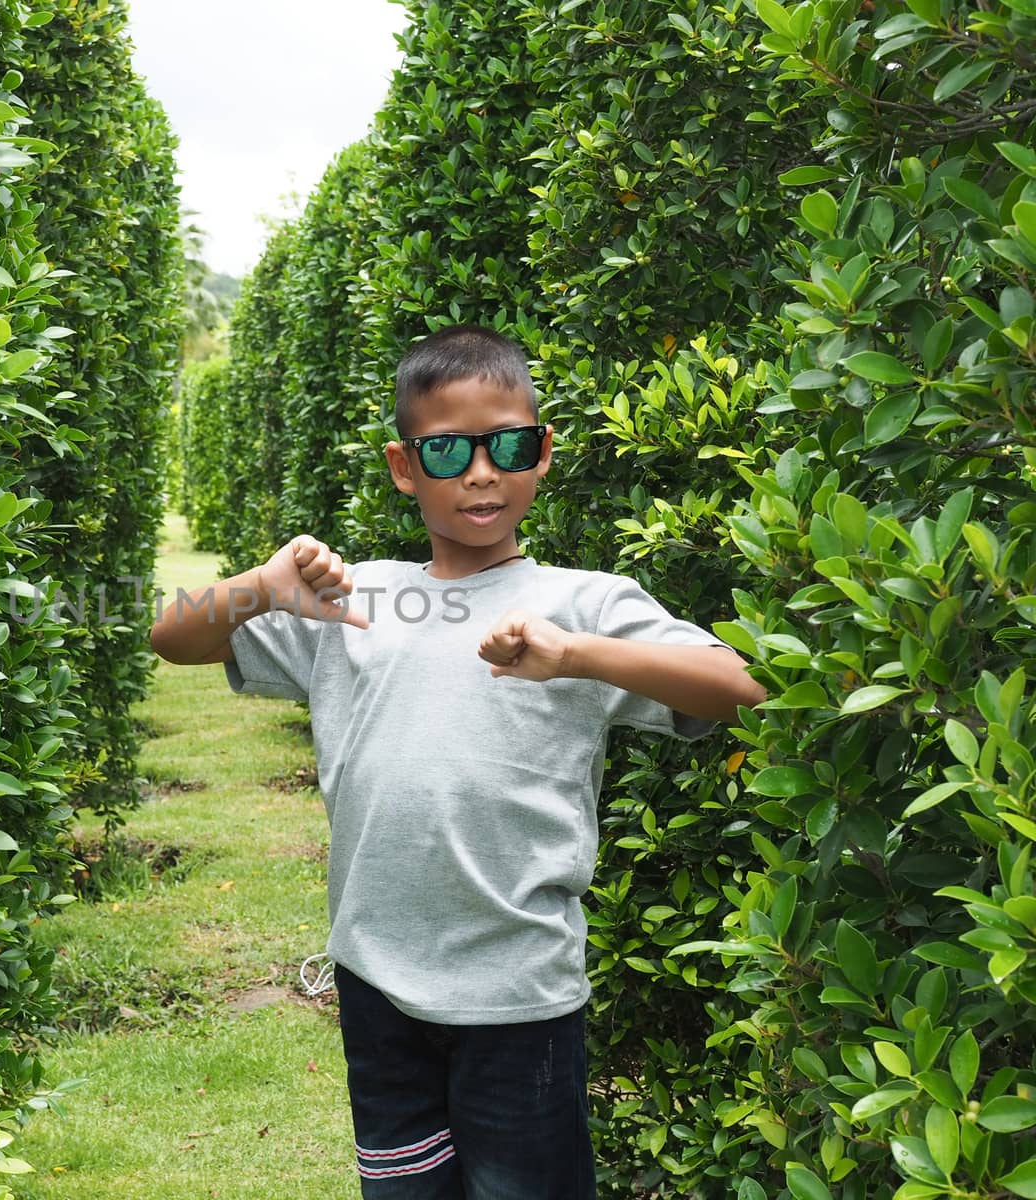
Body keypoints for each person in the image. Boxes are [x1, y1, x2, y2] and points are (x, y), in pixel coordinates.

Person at [149, 324, 765, 1199]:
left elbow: (744, 683)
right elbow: (172, 637)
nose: (482, 472)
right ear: (405, 467)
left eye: (508, 444)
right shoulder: (354, 600)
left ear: (542, 452)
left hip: (521, 993)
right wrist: (263, 585)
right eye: (448, 452)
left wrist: (580, 655)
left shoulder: (582, 604)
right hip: (377, 982)